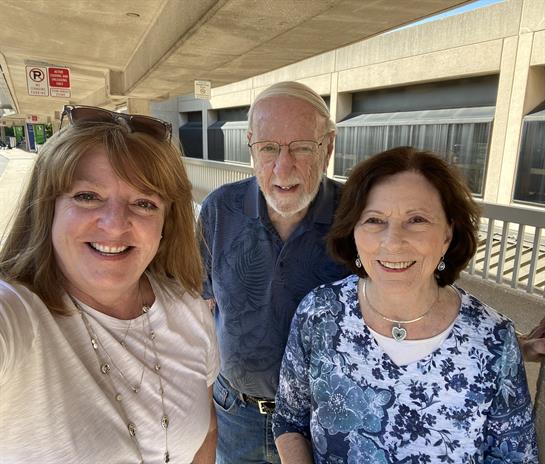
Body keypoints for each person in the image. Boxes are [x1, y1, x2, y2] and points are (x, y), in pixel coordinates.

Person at [272, 147, 538, 463]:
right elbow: (290, 420)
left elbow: (515, 457)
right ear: (353, 230)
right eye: (374, 220)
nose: (393, 241)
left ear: (447, 234)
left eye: (417, 219)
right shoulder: (318, 313)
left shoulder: (494, 340)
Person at [0, 106, 219, 463]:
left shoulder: (190, 311)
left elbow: (206, 430)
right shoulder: (17, 315)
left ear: (166, 225)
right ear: (47, 210)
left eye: (144, 203)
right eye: (87, 196)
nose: (116, 224)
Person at [199, 82, 350, 463]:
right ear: (251, 146)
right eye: (268, 148)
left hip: (322, 423)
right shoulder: (220, 210)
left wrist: (506, 339)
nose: (283, 168)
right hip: (235, 413)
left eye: (302, 147)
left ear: (328, 147)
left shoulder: (358, 215)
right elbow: (196, 305)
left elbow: (409, 296)